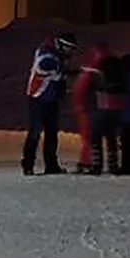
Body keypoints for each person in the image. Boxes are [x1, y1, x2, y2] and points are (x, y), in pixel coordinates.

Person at [23, 32, 76, 174]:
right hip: (38, 97)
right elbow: (43, 66)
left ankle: (51, 165)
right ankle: (28, 165)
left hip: (51, 98)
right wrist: (62, 71)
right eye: (69, 48)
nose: (70, 52)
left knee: (51, 133)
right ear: (62, 45)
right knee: (35, 132)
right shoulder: (46, 52)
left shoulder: (57, 55)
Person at [71, 43, 105, 174]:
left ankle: (87, 162)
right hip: (89, 109)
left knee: (88, 137)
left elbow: (78, 93)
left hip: (85, 109)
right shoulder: (95, 75)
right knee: (90, 137)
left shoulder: (86, 74)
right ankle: (89, 162)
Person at [94, 48, 126, 176]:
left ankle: (97, 165)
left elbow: (96, 86)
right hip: (116, 106)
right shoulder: (119, 70)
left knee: (96, 137)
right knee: (111, 138)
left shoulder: (101, 69)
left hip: (103, 105)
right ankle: (113, 165)